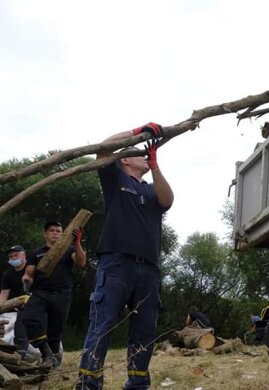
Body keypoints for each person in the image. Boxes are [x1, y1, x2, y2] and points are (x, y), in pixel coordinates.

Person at [77, 122, 173, 390]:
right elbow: (103, 149)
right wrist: (136, 131)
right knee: (102, 325)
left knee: (144, 330)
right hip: (116, 263)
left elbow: (167, 200)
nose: (144, 155)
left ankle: (137, 384)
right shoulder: (115, 179)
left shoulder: (152, 190)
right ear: (125, 160)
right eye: (139, 154)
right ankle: (89, 384)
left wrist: (155, 166)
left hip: (149, 270)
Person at [21, 222, 86, 369]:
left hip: (62, 293)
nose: (55, 233)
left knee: (56, 331)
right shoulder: (35, 253)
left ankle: (54, 366)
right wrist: (26, 282)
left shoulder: (69, 250)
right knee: (28, 317)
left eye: (58, 231)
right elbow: (28, 274)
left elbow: (81, 262)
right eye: (52, 230)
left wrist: (77, 243)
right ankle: (46, 353)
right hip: (40, 292)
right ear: (45, 234)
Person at [1, 245, 29, 357]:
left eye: (16, 255)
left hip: (32, 305)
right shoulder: (8, 274)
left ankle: (20, 352)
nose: (13, 258)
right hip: (13, 307)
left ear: (24, 255)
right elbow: (3, 294)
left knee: (22, 322)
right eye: (11, 256)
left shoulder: (32, 269)